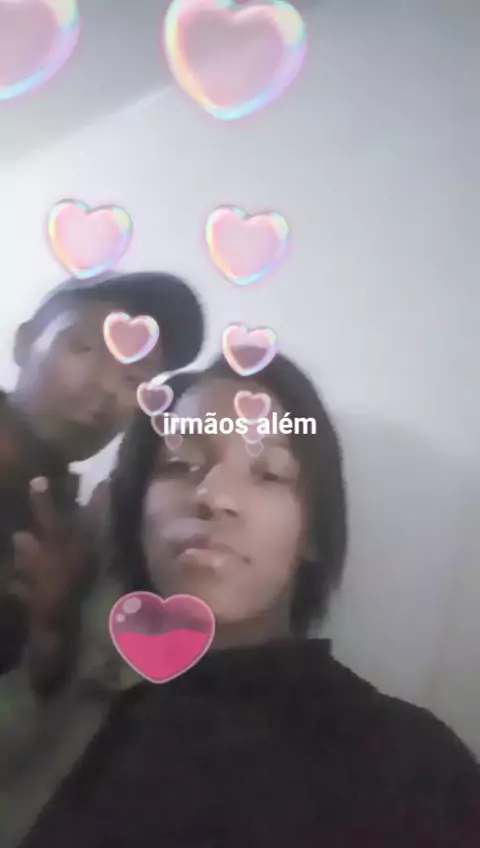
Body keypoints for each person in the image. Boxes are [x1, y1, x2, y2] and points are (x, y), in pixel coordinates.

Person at [21, 351, 480, 848]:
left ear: (313, 535)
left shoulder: (409, 765)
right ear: (134, 511)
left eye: (269, 474)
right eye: (179, 464)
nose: (213, 496)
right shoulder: (85, 717)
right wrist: (51, 638)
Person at [0, 272, 204, 846]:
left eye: (134, 379)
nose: (104, 391)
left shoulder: (68, 531)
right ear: (24, 342)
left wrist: (52, 629)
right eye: (85, 348)